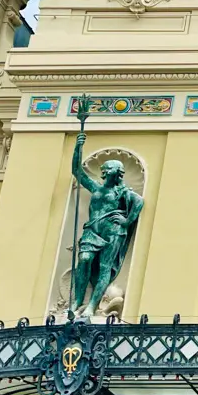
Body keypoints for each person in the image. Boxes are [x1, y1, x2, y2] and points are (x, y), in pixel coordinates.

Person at [70, 133, 144, 317]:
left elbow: (139, 202)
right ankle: (77, 300)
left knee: (105, 267)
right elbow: (77, 171)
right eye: (104, 167)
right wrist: (78, 147)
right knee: (84, 259)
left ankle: (91, 306)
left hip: (113, 230)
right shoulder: (96, 188)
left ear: (117, 172)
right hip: (93, 229)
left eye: (108, 168)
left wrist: (127, 222)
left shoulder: (124, 192)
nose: (104, 170)